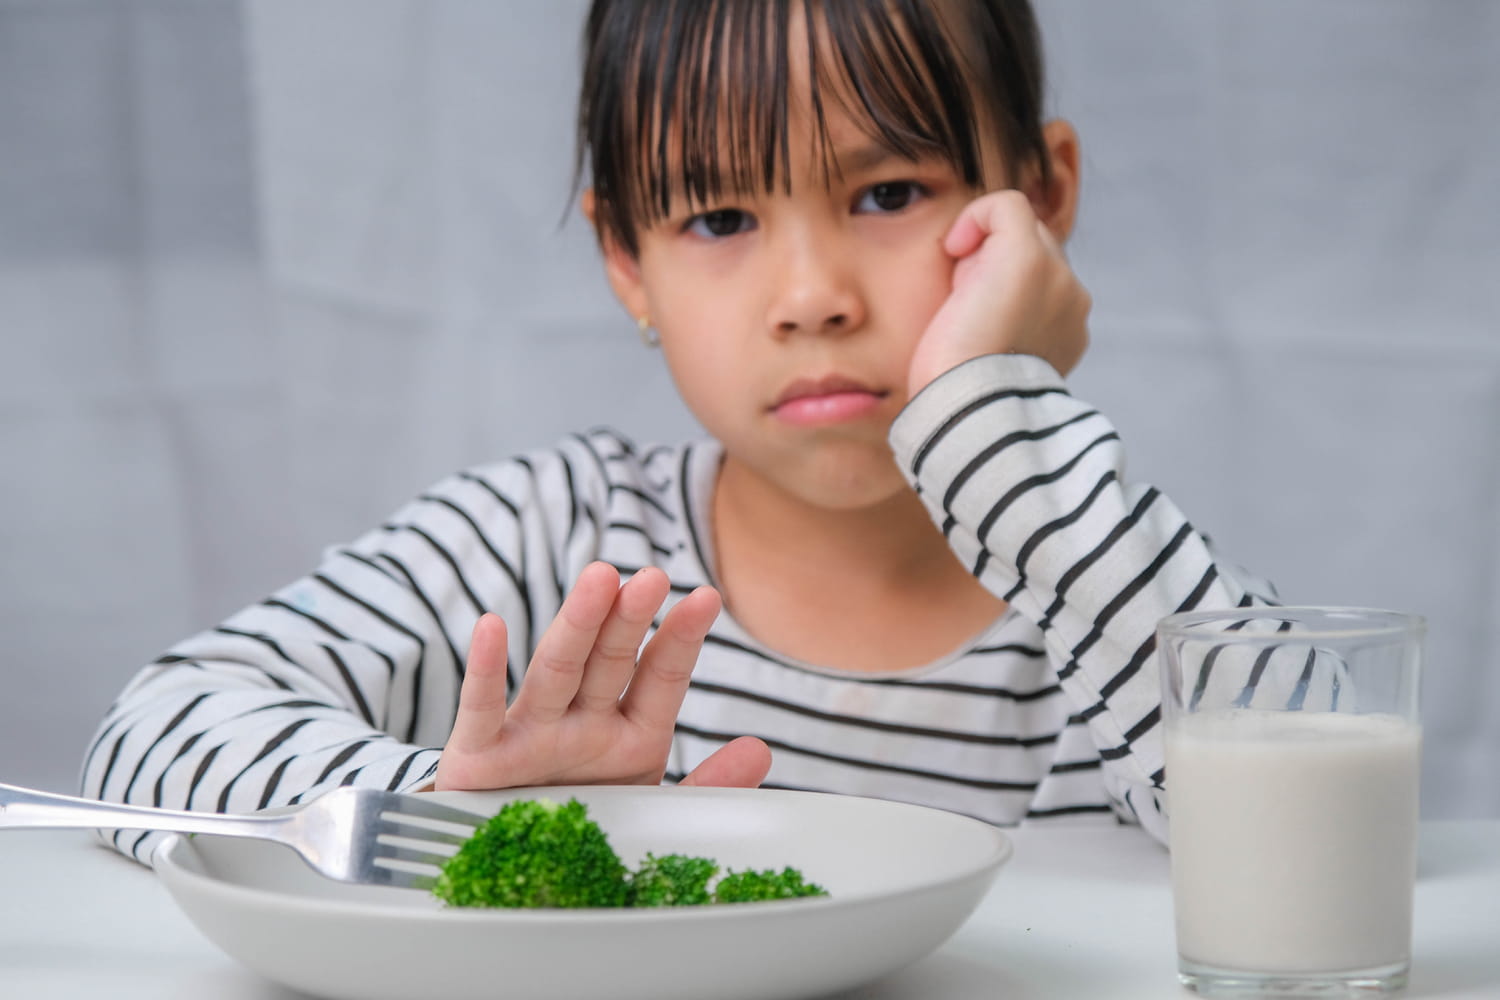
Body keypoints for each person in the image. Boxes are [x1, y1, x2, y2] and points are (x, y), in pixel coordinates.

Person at [82, 0, 1275, 865]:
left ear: (1042, 195)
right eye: (719, 217)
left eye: (889, 194)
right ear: (625, 260)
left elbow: (1308, 823)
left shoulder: (1100, 569)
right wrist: (463, 812)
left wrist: (993, 416)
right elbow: (155, 734)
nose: (811, 295)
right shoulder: (560, 536)